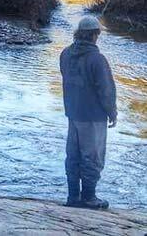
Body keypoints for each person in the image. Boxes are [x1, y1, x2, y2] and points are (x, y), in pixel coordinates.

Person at [60, 16, 117, 210]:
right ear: (94, 35)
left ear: (78, 33)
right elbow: (106, 90)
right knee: (92, 157)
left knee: (73, 155)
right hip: (93, 116)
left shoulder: (65, 54)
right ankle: (89, 198)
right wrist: (113, 113)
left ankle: (73, 197)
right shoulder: (97, 59)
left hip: (72, 113)